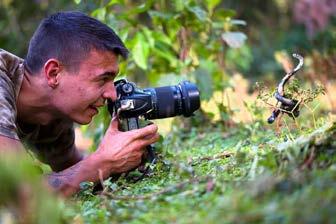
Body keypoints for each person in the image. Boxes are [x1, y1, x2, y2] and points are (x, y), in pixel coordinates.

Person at [0, 11, 160, 197]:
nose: (113, 95)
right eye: (102, 79)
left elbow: (73, 170)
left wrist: (121, 158)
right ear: (53, 74)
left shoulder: (51, 111)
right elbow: (21, 193)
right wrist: (102, 162)